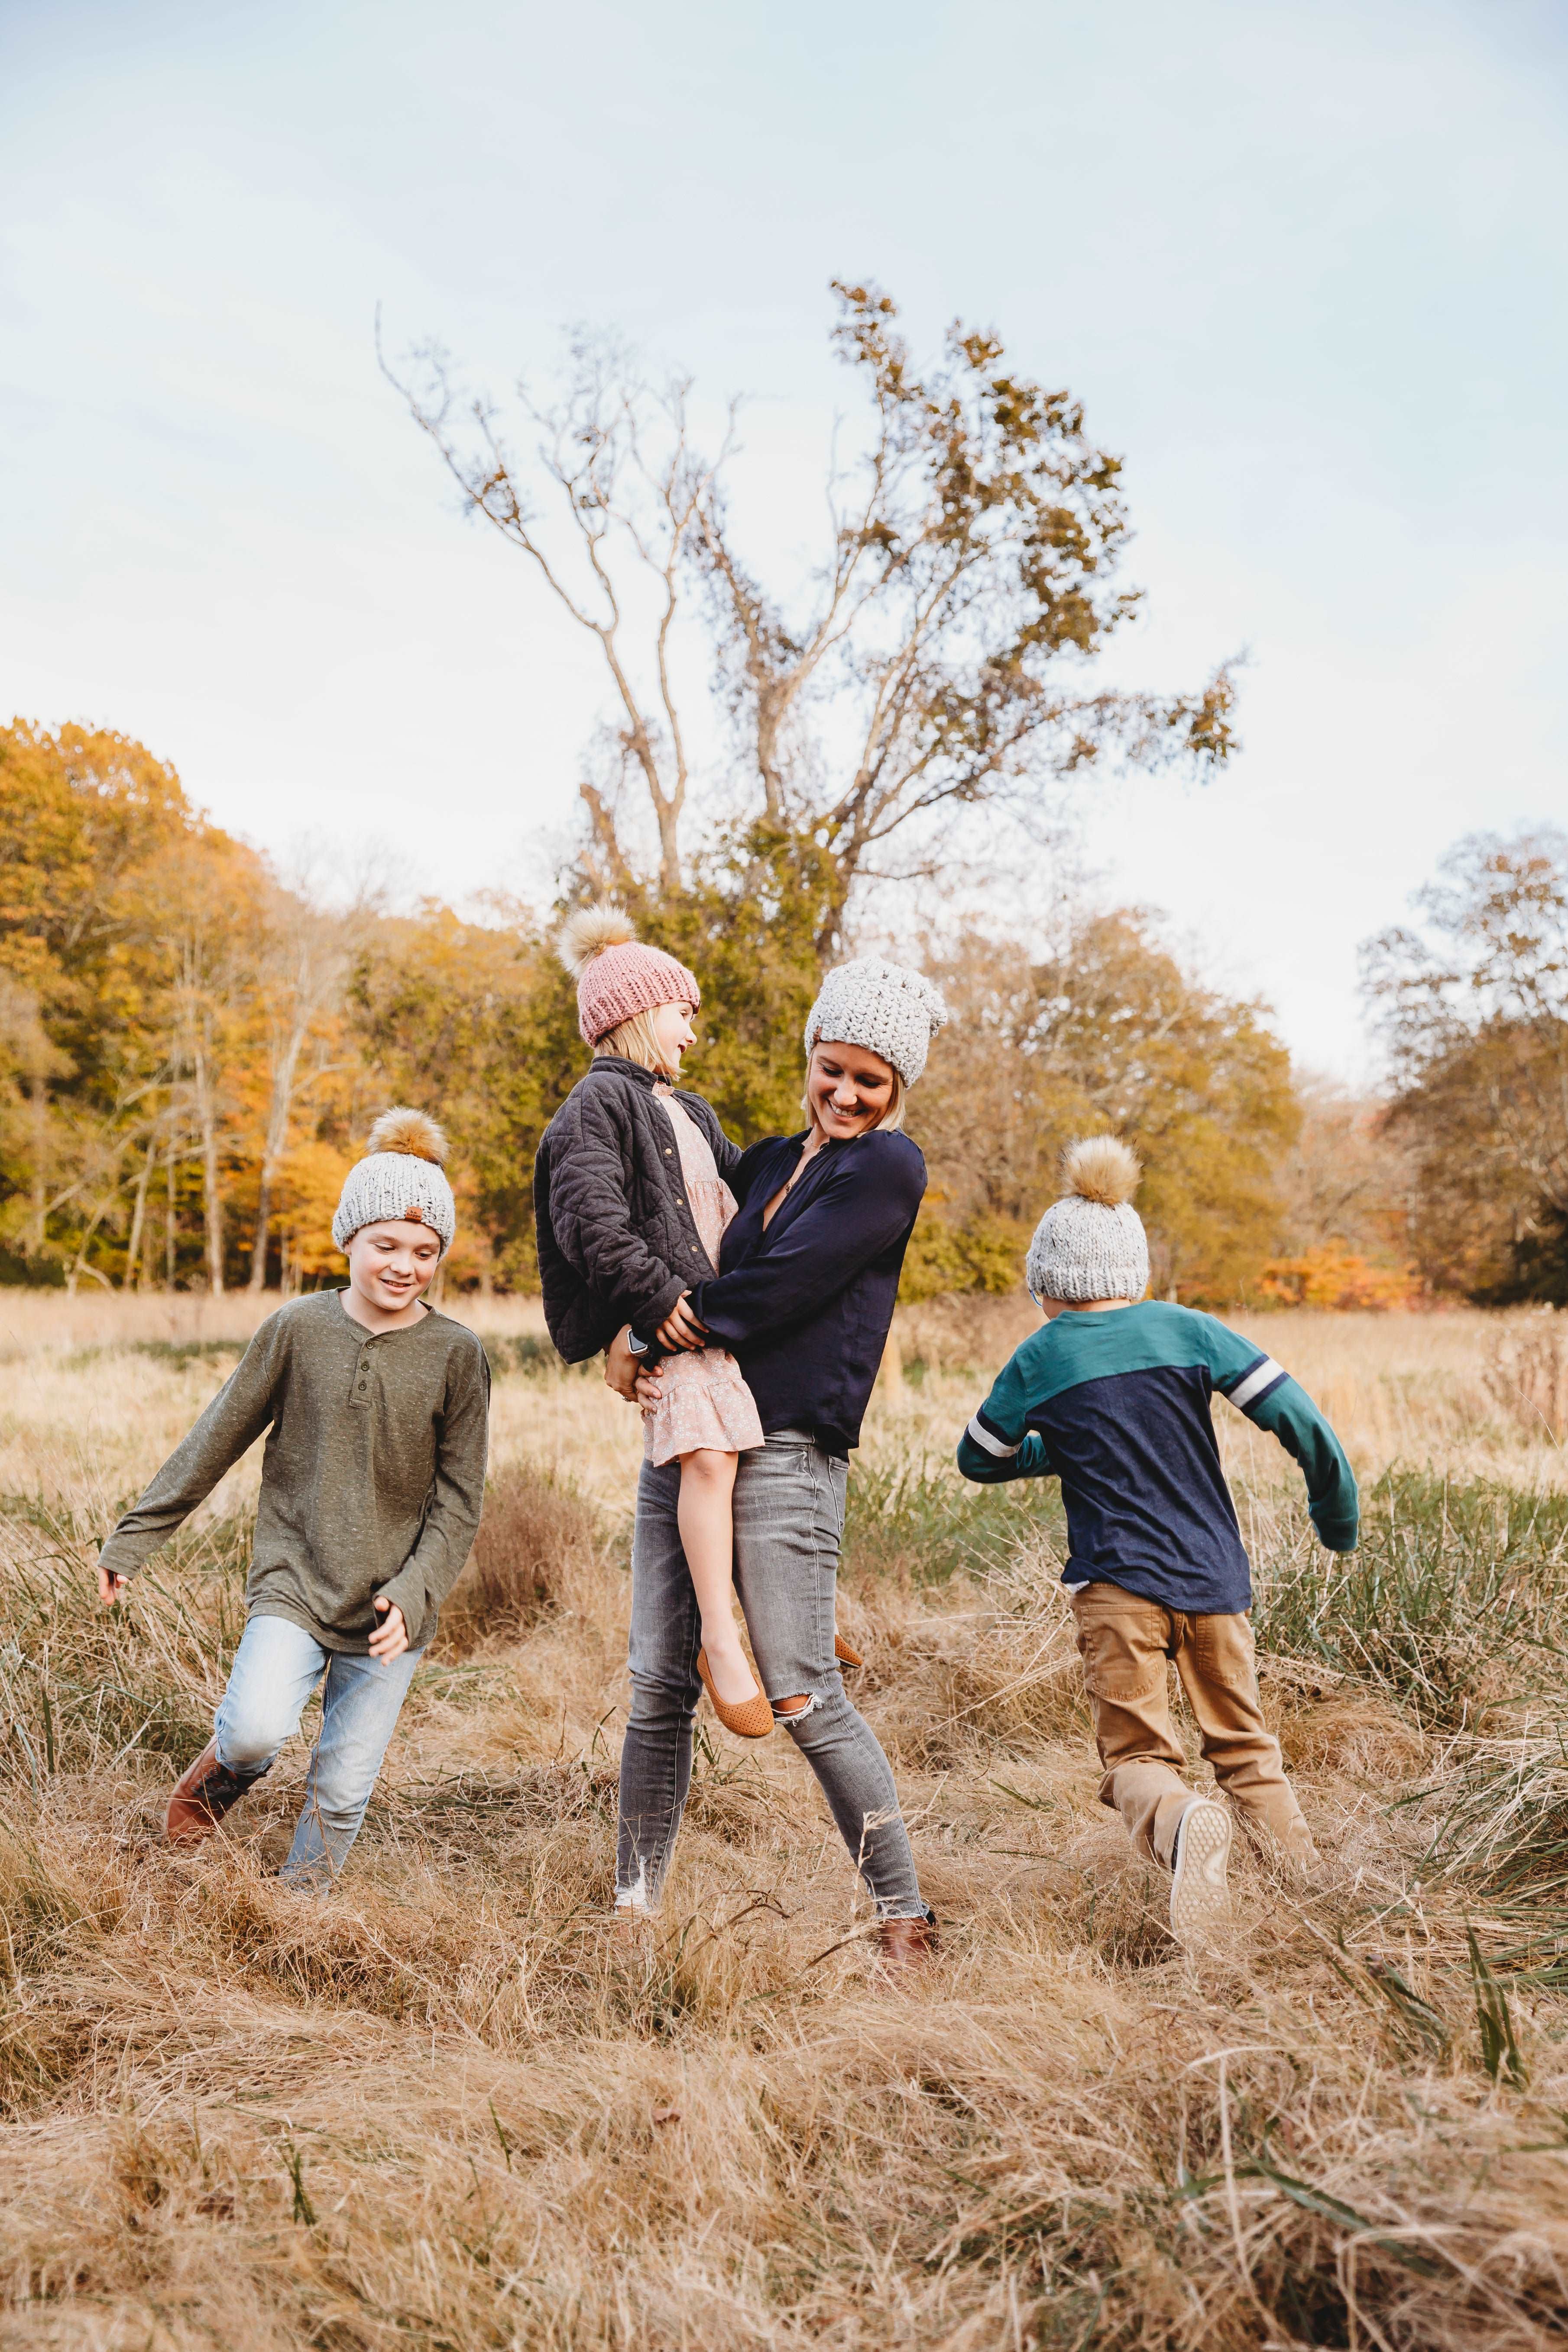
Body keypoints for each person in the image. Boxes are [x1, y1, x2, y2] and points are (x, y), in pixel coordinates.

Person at [603, 955, 950, 1966]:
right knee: (657, 1684)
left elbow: (781, 1286)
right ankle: (633, 1910)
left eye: (870, 1081)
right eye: (831, 1069)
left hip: (789, 1446)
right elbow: (675, 1229)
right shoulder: (760, 1162)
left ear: (897, 1088)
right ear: (810, 1057)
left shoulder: (886, 1169)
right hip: (695, 1432)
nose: (844, 1094)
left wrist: (652, 1332)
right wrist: (621, 1324)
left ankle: (904, 1918)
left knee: (801, 1691)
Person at [956, 1135, 1358, 1947]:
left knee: (1137, 1756)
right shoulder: (1191, 1330)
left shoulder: (1039, 1356)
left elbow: (979, 1456)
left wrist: (1057, 1449)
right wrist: (1335, 1510)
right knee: (1246, 1746)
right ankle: (1313, 1895)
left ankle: (1179, 1824)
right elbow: (1299, 1415)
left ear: (1046, 1285)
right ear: (1133, 1272)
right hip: (1215, 1579)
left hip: (1116, 1588)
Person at [96, 1109, 489, 1888]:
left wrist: (415, 1592)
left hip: (391, 1608)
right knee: (252, 1731)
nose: (404, 1265)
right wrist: (134, 1538)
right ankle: (214, 1783)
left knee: (341, 1791)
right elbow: (216, 1437)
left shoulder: (458, 1355)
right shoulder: (297, 1329)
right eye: (386, 1245)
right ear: (349, 1238)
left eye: (424, 1251)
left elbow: (460, 1498)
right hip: (296, 1579)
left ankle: (297, 1913)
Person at [534, 909, 773, 1734]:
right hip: (677, 1322)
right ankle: (722, 1643)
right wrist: (656, 1303)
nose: (693, 1032)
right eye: (683, 1013)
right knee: (707, 1457)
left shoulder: (692, 1110)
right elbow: (589, 1220)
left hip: (719, 1323)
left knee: (746, 1461)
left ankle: (782, 1616)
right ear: (638, 1012)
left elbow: (747, 1187)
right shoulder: (596, 1104)